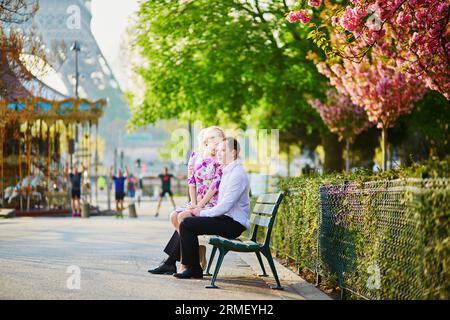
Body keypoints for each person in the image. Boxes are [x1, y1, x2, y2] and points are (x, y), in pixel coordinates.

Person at [148, 126, 226, 274]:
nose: (218, 146)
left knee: (183, 218)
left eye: (221, 142)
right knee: (173, 216)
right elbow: (191, 182)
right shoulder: (195, 156)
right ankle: (192, 255)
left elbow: (214, 186)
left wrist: (200, 206)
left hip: (211, 203)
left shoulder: (219, 161)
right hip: (197, 201)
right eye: (215, 141)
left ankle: (179, 263)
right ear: (205, 141)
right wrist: (194, 203)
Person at [173, 137, 249, 279]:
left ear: (233, 154)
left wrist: (202, 212)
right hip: (226, 219)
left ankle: (193, 268)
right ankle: (186, 265)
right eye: (218, 150)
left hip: (234, 224)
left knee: (187, 224)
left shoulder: (236, 174)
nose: (219, 153)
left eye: (223, 150)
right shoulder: (228, 171)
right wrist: (200, 211)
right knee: (187, 220)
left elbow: (225, 206)